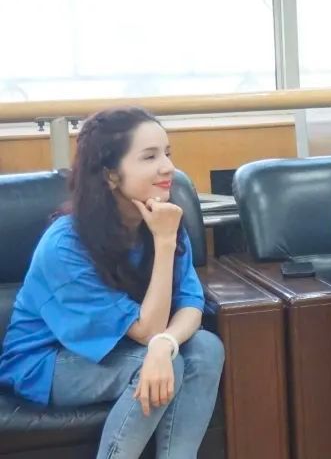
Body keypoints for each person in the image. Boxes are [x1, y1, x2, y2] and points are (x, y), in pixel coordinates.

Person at [0, 107, 224, 459]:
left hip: (126, 344)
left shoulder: (164, 219)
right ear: (110, 175)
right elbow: (146, 332)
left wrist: (165, 343)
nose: (167, 167)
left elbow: (190, 304)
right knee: (161, 362)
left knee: (206, 348)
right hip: (47, 361)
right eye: (149, 156)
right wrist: (164, 245)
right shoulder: (65, 244)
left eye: (167, 153)